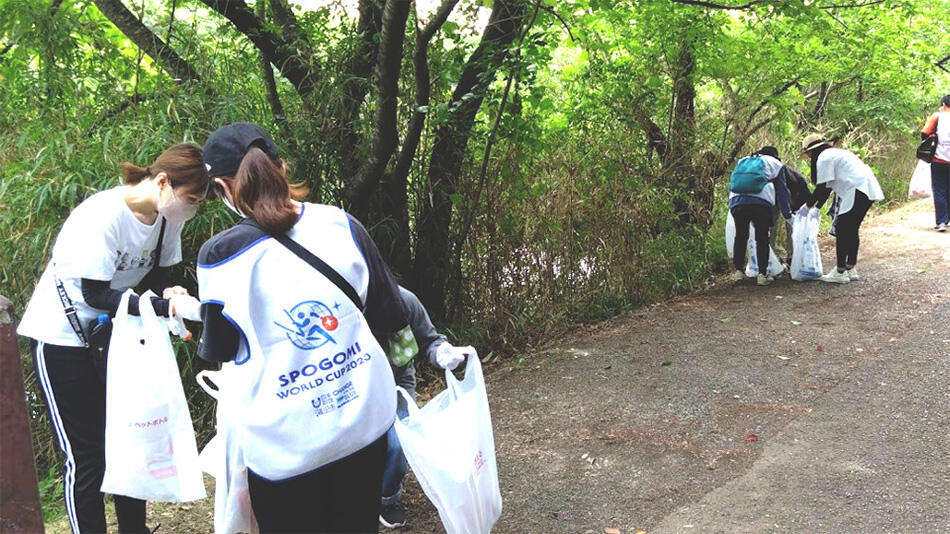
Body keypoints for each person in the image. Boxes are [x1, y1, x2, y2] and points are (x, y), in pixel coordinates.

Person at [196, 122, 411, 533]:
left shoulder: (219, 256)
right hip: (362, 423)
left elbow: (220, 348)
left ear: (223, 188)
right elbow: (392, 318)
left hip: (285, 446)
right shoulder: (341, 224)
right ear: (282, 166)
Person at [17, 143, 209, 534]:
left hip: (117, 338)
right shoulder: (103, 215)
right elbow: (95, 294)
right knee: (87, 456)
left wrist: (170, 293)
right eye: (191, 199)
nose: (192, 209)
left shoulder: (169, 219)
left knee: (129, 446)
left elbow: (157, 279)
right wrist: (159, 307)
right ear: (162, 181)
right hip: (63, 339)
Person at [379, 286, 474, 528]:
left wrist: (442, 352)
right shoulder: (346, 302)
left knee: (399, 443)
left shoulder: (404, 300)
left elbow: (430, 339)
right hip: (357, 385)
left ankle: (387, 500)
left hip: (399, 379)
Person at [801, 133, 884, 283]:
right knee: (851, 229)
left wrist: (807, 207)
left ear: (811, 151)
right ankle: (850, 267)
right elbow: (827, 187)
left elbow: (821, 188)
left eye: (807, 154)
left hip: (856, 189)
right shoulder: (835, 153)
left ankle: (840, 272)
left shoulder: (824, 158)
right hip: (867, 188)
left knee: (842, 229)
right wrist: (817, 207)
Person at [728, 146, 793, 286]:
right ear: (775, 156)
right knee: (762, 237)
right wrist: (788, 215)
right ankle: (762, 275)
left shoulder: (743, 160)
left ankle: (738, 272)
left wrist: (732, 205)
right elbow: (782, 192)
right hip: (760, 203)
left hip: (737, 201)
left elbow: (734, 183)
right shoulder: (775, 163)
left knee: (740, 236)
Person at [919, 94, 950, 232]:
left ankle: (942, 221)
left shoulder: (937, 116)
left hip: (939, 160)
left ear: (943, 104)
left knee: (939, 190)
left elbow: (925, 133)